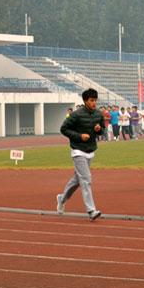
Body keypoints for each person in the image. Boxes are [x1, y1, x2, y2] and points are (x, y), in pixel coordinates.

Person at [57, 88, 106, 221]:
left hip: (90, 151)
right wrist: (79, 136)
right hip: (78, 150)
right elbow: (64, 129)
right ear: (85, 101)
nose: (94, 103)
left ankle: (62, 198)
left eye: (95, 100)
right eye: (91, 100)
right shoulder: (76, 115)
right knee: (86, 179)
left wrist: (99, 130)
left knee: (77, 180)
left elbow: (103, 130)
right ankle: (91, 210)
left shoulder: (98, 114)